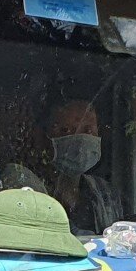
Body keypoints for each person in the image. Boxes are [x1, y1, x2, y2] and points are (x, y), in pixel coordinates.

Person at [46, 98, 120, 235]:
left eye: (88, 130)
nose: (80, 139)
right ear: (46, 136)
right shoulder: (33, 192)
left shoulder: (105, 194)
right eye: (66, 130)